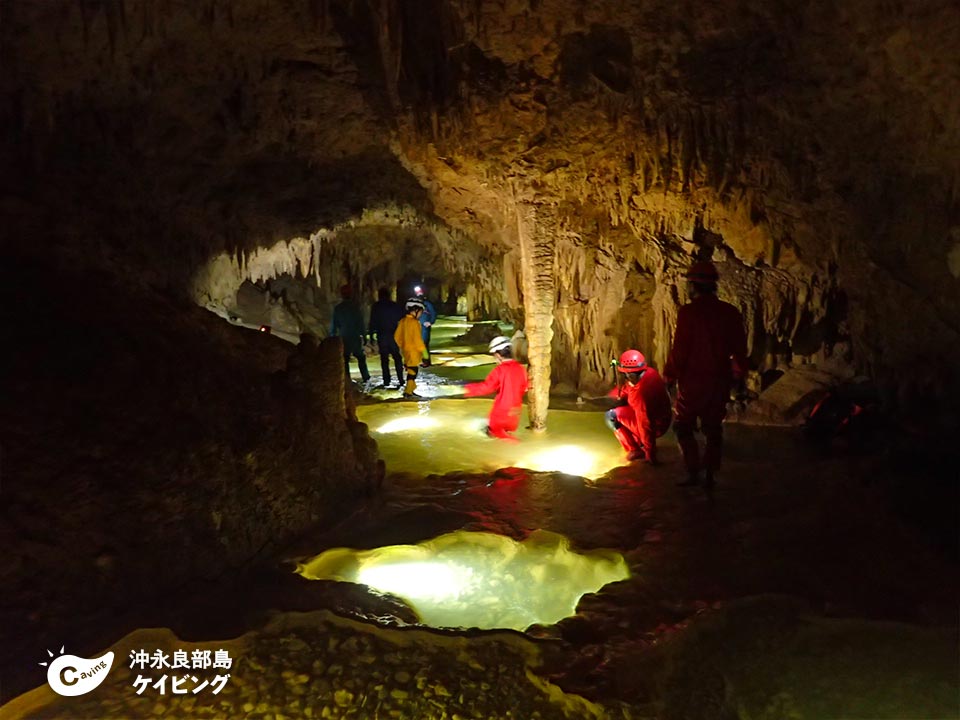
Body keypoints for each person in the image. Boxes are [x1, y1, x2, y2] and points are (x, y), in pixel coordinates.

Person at [663, 261, 748, 488]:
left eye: (689, 284)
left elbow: (680, 349)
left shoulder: (689, 313)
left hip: (693, 381)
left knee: (683, 426)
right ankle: (710, 474)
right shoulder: (730, 312)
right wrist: (740, 377)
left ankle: (693, 472)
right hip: (719, 381)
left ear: (694, 285)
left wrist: (670, 376)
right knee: (713, 428)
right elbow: (739, 350)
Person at [606, 349, 672, 463]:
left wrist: (650, 454)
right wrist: (616, 396)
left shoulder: (641, 395)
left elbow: (645, 425)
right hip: (663, 418)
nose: (625, 377)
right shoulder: (649, 372)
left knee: (610, 415)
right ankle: (640, 442)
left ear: (631, 375)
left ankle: (635, 449)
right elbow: (628, 389)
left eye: (625, 374)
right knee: (623, 405)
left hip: (656, 426)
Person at [464, 336, 529, 442]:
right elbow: (524, 388)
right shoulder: (521, 369)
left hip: (500, 413)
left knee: (496, 437)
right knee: (506, 436)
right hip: (515, 414)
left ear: (498, 355)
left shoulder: (500, 370)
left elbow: (487, 387)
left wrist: (466, 389)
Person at [330, 284, 370, 384]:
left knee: (345, 359)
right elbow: (360, 323)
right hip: (355, 336)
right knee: (360, 357)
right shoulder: (355, 307)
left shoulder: (338, 308)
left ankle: (347, 379)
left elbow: (334, 324)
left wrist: (332, 336)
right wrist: (364, 336)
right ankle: (366, 378)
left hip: (344, 336)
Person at [368, 287, 405, 389]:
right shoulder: (394, 306)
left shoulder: (376, 306)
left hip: (382, 335)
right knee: (397, 358)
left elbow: (372, 322)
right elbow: (402, 318)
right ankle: (401, 380)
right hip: (393, 335)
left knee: (384, 359)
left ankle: (386, 381)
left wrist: (371, 337)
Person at [395, 297, 430, 399]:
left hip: (405, 351)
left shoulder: (402, 321)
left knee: (410, 370)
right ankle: (408, 392)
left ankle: (410, 390)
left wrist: (404, 345)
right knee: (413, 372)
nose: (421, 315)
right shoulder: (414, 323)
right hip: (414, 352)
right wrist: (425, 354)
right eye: (421, 312)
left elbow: (397, 337)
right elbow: (418, 340)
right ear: (415, 310)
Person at [414, 285, 437, 363]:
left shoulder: (427, 304)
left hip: (424, 327)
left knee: (424, 344)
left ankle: (426, 361)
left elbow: (433, 313)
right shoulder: (415, 305)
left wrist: (430, 322)